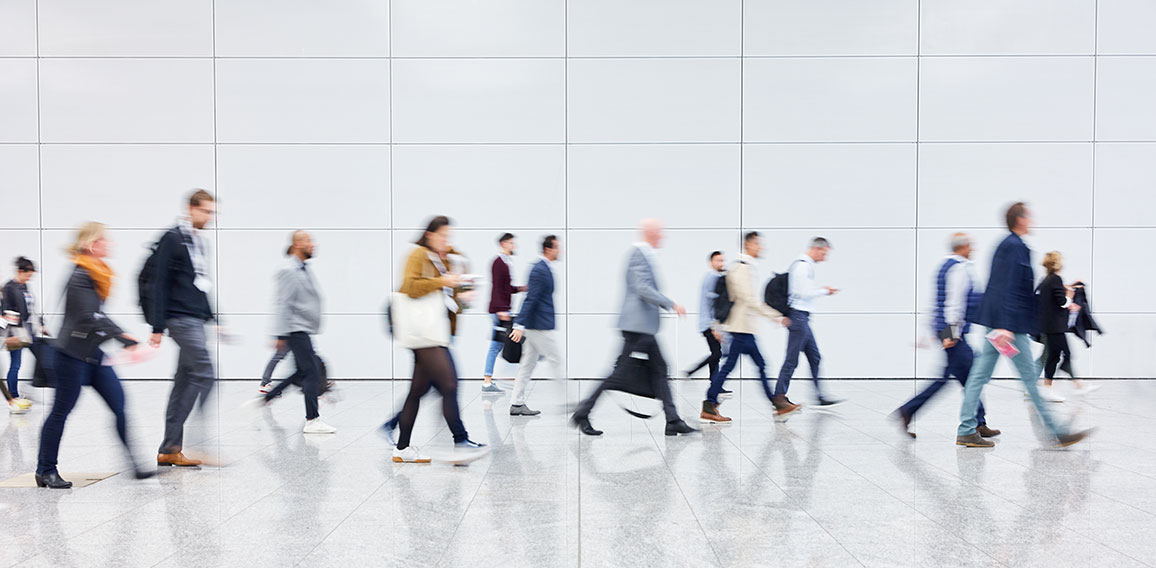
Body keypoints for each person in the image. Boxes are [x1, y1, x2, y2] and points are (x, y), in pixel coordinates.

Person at [956, 203, 1093, 448]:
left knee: (979, 376)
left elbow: (1009, 288)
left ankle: (966, 429)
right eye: (1028, 216)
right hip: (1008, 327)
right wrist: (1007, 326)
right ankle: (1057, 432)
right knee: (1028, 378)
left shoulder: (1008, 245)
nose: (1032, 219)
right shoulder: (1014, 247)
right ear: (1019, 219)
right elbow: (1008, 287)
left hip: (1000, 325)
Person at [35, 223, 154, 488]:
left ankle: (136, 464)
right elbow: (91, 316)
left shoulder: (97, 274)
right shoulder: (80, 275)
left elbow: (96, 317)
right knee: (61, 411)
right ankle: (45, 471)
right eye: (104, 241)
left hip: (92, 354)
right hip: (70, 356)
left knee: (119, 404)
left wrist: (122, 338)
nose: (108, 245)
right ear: (91, 244)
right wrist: (124, 338)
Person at [571, 219, 696, 437]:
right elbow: (641, 287)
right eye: (660, 232)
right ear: (651, 233)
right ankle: (582, 412)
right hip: (637, 326)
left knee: (659, 369)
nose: (663, 236)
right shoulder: (639, 254)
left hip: (642, 327)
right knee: (619, 376)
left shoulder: (646, 255)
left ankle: (673, 419)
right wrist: (670, 303)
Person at [392, 216, 487, 463]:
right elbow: (410, 287)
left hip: (435, 332)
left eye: (449, 236)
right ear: (430, 234)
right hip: (425, 335)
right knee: (449, 384)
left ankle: (401, 448)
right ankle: (461, 440)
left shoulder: (443, 258)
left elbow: (451, 297)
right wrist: (441, 281)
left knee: (416, 392)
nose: (447, 240)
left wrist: (463, 291)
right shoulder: (418, 255)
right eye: (443, 235)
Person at [893, 233, 1000, 439]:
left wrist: (932, 331)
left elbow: (937, 303)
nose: (973, 249)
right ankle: (910, 410)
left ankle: (978, 421)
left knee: (960, 376)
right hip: (953, 331)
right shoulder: (959, 268)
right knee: (971, 375)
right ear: (962, 247)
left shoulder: (943, 267)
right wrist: (951, 334)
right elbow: (953, 303)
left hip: (947, 329)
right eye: (970, 245)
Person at [147, 189, 218, 468]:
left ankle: (170, 448)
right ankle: (200, 441)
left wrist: (211, 317)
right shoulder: (173, 238)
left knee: (184, 381)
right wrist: (157, 325)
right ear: (191, 208)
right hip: (179, 318)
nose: (209, 217)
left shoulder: (197, 242)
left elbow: (199, 282)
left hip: (194, 318)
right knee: (205, 373)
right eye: (205, 212)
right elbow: (159, 282)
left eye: (212, 213)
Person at [702, 232, 798, 423]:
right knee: (735, 366)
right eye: (758, 244)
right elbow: (748, 299)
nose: (761, 247)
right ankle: (709, 404)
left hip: (744, 328)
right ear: (748, 245)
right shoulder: (741, 268)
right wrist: (775, 315)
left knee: (756, 366)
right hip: (740, 328)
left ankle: (776, 404)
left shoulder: (742, 267)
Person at [250, 232, 335, 434]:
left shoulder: (301, 268)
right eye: (308, 241)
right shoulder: (288, 269)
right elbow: (283, 302)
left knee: (302, 372)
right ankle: (312, 419)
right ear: (297, 244)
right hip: (294, 329)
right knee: (312, 371)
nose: (313, 245)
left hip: (301, 328)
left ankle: (263, 400)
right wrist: (279, 334)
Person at [774, 237, 845, 408]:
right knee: (792, 359)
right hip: (798, 317)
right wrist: (824, 291)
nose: (825, 257)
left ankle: (819, 395)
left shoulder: (805, 265)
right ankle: (778, 397)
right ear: (816, 248)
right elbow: (803, 293)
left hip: (802, 318)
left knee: (815, 356)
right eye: (824, 253)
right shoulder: (802, 266)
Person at [508, 235, 565, 416]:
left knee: (527, 364)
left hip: (536, 325)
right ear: (548, 249)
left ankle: (516, 404)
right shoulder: (539, 270)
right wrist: (519, 324)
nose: (560, 251)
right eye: (557, 247)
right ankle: (569, 402)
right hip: (538, 326)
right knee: (555, 360)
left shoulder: (545, 268)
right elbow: (530, 298)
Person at [1036, 251, 1097, 400]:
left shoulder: (1047, 279)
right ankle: (1056, 387)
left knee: (1054, 355)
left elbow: (1053, 294)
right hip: (1055, 326)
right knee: (1058, 356)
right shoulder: (1056, 279)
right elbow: (1062, 302)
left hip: (1049, 326)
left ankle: (1069, 385)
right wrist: (1069, 296)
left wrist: (1069, 286)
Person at [4, 256, 51, 412]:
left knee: (43, 358)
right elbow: (5, 311)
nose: (29, 278)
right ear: (20, 271)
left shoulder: (25, 287)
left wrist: (42, 325)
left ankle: (28, 388)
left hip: (30, 330)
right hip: (15, 332)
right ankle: (14, 398)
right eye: (28, 275)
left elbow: (32, 309)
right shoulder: (9, 288)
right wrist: (10, 333)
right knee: (15, 365)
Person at [482, 233, 526, 393]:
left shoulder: (505, 262)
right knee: (496, 346)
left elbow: (506, 288)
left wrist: (520, 288)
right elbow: (498, 288)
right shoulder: (498, 263)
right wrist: (501, 310)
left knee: (498, 345)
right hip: (498, 310)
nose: (513, 246)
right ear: (503, 244)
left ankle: (488, 380)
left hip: (500, 309)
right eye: (511, 243)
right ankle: (487, 381)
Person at [683, 251, 727, 390]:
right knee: (717, 353)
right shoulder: (713, 278)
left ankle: (715, 383)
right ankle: (693, 371)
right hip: (709, 323)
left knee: (716, 353)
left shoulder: (711, 277)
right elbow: (712, 304)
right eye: (718, 261)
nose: (721, 263)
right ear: (711, 263)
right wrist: (715, 327)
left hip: (708, 322)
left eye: (722, 260)